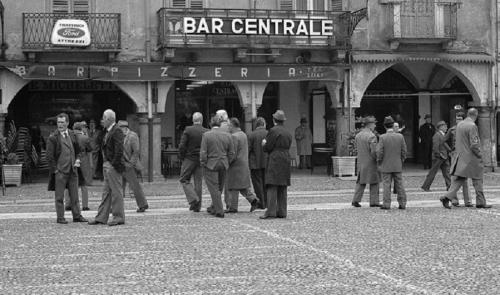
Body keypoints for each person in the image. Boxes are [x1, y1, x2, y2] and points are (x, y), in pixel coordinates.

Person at [440, 108, 492, 209]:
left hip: (460, 157)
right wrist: (480, 155)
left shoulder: (459, 125)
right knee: (478, 179)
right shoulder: (472, 126)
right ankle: (480, 201)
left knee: (459, 179)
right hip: (472, 159)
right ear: (476, 115)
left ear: (468, 114)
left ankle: (447, 197)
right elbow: (474, 144)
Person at [46, 113, 87, 224]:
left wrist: (78, 159)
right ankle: (60, 217)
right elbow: (49, 156)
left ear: (67, 123)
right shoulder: (53, 137)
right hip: (60, 172)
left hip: (73, 171)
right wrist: (55, 170)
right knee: (59, 197)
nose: (60, 125)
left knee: (75, 196)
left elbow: (79, 150)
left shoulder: (72, 134)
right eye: (58, 122)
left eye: (62, 122)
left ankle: (77, 216)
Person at [88, 109, 126, 226]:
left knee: (116, 192)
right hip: (107, 165)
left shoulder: (117, 131)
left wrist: (112, 164)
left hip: (112, 166)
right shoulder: (107, 131)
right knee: (106, 193)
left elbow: (119, 150)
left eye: (104, 118)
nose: (102, 120)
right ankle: (101, 217)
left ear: (109, 119)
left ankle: (118, 217)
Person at [260, 110, 292, 219]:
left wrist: (264, 144)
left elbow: (268, 146)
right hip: (286, 158)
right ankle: (282, 211)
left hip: (275, 158)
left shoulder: (273, 130)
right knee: (283, 185)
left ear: (274, 120)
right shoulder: (287, 132)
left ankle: (271, 211)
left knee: (272, 184)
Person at [201, 115, 235, 218]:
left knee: (214, 188)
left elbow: (203, 152)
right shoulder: (227, 135)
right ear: (220, 124)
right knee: (219, 187)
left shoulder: (206, 135)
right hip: (223, 163)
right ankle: (213, 207)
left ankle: (219, 210)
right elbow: (232, 152)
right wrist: (227, 161)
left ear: (210, 124)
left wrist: (203, 163)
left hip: (211, 164)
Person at [226, 118, 260, 213]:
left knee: (232, 186)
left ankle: (233, 207)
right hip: (243, 163)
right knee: (242, 186)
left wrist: (227, 162)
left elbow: (233, 153)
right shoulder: (243, 134)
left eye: (229, 125)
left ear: (233, 126)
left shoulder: (234, 136)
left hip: (235, 165)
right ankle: (254, 200)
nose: (228, 127)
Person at [178, 112, 207, 212]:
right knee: (198, 182)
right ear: (202, 120)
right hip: (200, 159)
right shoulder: (206, 131)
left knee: (184, 179)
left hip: (189, 158)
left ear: (193, 120)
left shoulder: (188, 130)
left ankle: (194, 199)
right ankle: (197, 206)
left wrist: (182, 157)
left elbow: (182, 145)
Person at [376, 116, 408, 210]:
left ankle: (386, 204)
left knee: (386, 185)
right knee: (400, 184)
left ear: (384, 126)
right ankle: (402, 203)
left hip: (386, 164)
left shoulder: (382, 137)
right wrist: (401, 160)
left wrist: (379, 161)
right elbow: (404, 151)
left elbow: (380, 152)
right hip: (397, 164)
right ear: (393, 125)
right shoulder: (400, 136)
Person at [118, 120, 149, 213]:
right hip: (120, 164)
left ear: (124, 128)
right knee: (118, 187)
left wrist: (131, 163)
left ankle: (142, 205)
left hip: (129, 165)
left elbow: (136, 152)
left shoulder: (132, 136)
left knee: (135, 186)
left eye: (120, 129)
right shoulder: (119, 136)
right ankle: (116, 206)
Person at [352, 116, 380, 208]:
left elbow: (356, 149)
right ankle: (374, 201)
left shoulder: (358, 135)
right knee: (375, 182)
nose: (375, 125)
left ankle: (355, 200)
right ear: (370, 125)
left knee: (361, 182)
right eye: (374, 123)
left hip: (361, 162)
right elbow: (374, 151)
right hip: (371, 163)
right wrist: (378, 159)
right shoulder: (372, 136)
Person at [445, 111, 471, 206]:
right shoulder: (452, 129)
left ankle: (468, 201)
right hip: (455, 154)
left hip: (465, 155)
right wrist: (450, 150)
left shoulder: (468, 129)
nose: (458, 120)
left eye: (460, 118)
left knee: (465, 179)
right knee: (454, 177)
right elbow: (443, 140)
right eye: (457, 118)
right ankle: (454, 200)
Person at [421, 121, 451, 192]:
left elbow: (444, 144)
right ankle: (425, 186)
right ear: (441, 127)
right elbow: (435, 147)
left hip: (444, 157)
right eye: (445, 126)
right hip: (439, 157)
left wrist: (449, 150)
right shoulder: (437, 135)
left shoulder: (443, 135)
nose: (446, 128)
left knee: (447, 172)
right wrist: (438, 154)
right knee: (433, 172)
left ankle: (449, 186)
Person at [247, 117, 268, 209]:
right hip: (267, 162)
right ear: (264, 124)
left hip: (255, 163)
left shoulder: (251, 135)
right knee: (266, 183)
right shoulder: (268, 133)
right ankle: (267, 203)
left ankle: (261, 203)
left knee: (257, 184)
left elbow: (248, 149)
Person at [73, 121, 93, 211]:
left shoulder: (70, 137)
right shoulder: (85, 138)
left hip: (72, 160)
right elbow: (89, 149)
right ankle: (85, 205)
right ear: (81, 128)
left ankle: (69, 204)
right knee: (84, 183)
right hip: (83, 160)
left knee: (70, 182)